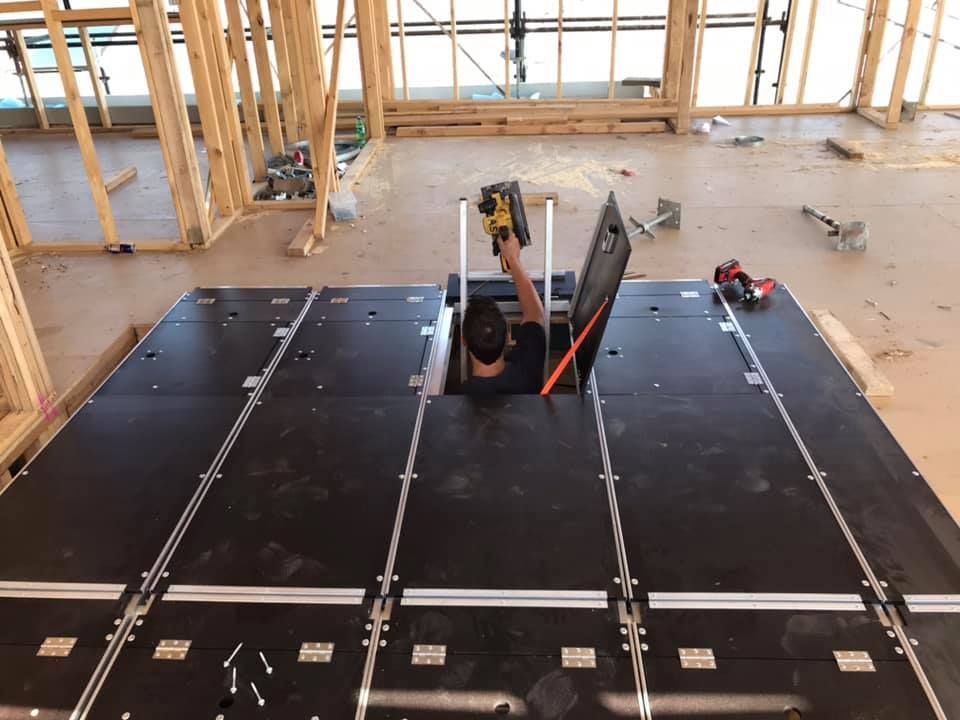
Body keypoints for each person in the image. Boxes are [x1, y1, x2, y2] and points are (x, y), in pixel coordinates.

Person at [460, 231, 546, 395]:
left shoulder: (455, 400)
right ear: (507, 337)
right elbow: (535, 312)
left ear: (463, 340)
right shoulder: (528, 370)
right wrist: (513, 259)